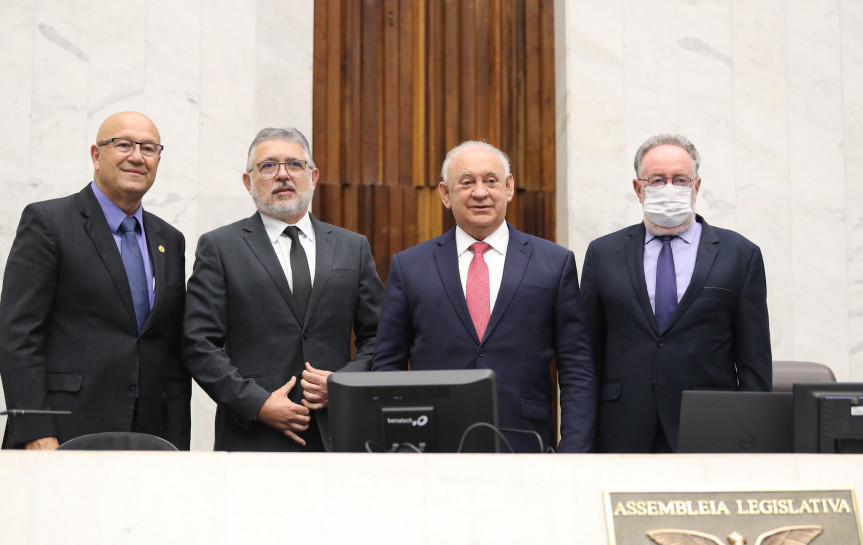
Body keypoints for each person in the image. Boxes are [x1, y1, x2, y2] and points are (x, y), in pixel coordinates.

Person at [372, 141, 597, 453]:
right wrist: (397, 445)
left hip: (526, 444)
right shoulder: (410, 266)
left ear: (508, 187)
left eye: (491, 181)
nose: (480, 192)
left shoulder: (554, 263)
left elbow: (576, 366)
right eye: (466, 182)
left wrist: (573, 450)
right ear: (445, 194)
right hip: (432, 448)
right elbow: (388, 365)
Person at [182, 127, 383, 451]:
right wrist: (257, 404)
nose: (283, 175)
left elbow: (379, 337)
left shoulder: (352, 247)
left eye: (294, 164)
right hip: (252, 438)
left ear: (313, 176)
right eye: (268, 166)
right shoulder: (220, 247)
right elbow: (198, 343)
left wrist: (344, 384)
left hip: (338, 434)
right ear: (248, 182)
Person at [0, 111, 191, 450]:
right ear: (96, 154)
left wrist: (177, 444)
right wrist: (36, 431)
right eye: (123, 145)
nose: (136, 156)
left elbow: (171, 353)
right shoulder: (49, 222)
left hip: (148, 437)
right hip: (63, 432)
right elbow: (17, 336)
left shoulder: (170, 239)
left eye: (148, 148)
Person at [580, 134, 772, 453]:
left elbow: (754, 360)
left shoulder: (740, 254)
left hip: (710, 427)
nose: (669, 189)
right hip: (622, 430)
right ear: (638, 188)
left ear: (695, 187)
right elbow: (587, 356)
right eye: (657, 180)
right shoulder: (603, 253)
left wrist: (754, 440)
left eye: (680, 179)